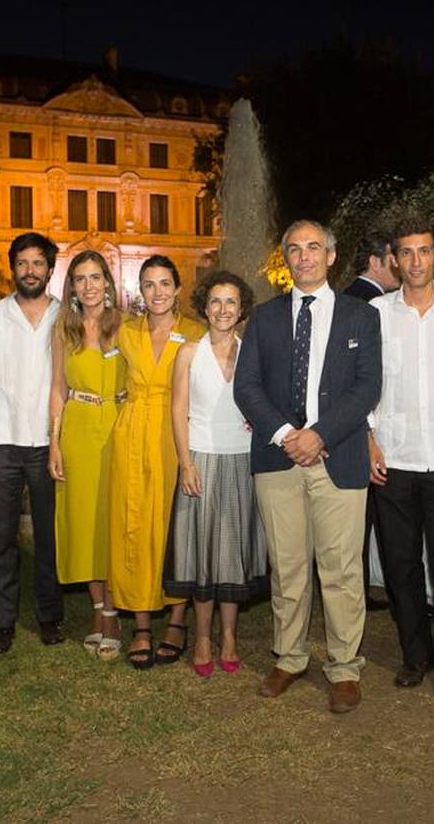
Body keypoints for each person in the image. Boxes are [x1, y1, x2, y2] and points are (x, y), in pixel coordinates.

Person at [234, 219, 382, 714]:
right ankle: (290, 657)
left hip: (339, 457)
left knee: (341, 569)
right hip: (277, 460)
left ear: (331, 256)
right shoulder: (265, 317)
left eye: (313, 247)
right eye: (295, 249)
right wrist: (286, 435)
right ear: (286, 258)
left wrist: (320, 435)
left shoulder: (362, 316)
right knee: (288, 566)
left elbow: (367, 387)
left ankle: (344, 667)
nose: (304, 257)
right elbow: (246, 386)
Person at [368, 217, 434, 696]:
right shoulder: (376, 313)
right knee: (400, 564)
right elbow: (365, 382)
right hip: (393, 458)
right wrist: (369, 439)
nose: (415, 261)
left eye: (424, 251)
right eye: (406, 252)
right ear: (394, 259)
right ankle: (415, 655)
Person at [164, 271, 268, 677]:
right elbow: (178, 410)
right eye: (216, 301)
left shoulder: (252, 353)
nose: (223, 309)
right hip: (201, 459)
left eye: (231, 302)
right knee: (202, 553)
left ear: (241, 310)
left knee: (231, 554)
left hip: (242, 460)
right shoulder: (188, 353)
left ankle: (229, 637)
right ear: (204, 307)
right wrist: (186, 463)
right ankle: (203, 638)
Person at [109, 255, 205, 669]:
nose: (157, 292)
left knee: (174, 525)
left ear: (178, 288)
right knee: (132, 524)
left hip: (176, 434)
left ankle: (177, 620)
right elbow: (113, 383)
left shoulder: (196, 332)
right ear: (140, 291)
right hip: (132, 434)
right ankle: (142, 623)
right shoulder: (126, 331)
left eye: (165, 283)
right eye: (148, 284)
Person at [0, 233, 63, 654]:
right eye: (23, 263)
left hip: (49, 440)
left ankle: (49, 616)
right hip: (0, 437)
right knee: (1, 536)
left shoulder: (65, 315)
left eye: (38, 263)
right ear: (12, 267)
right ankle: (4, 620)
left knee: (50, 535)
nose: (30, 271)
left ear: (50, 269)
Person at [48, 251, 126, 659]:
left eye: (96, 277)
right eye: (80, 279)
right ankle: (98, 609)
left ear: (108, 283)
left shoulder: (127, 325)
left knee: (113, 520)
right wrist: (54, 442)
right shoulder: (64, 329)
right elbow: (57, 389)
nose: (89, 286)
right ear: (72, 287)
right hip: (78, 429)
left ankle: (112, 612)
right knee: (82, 522)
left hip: (118, 426)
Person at [342, 228, 398, 611]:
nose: (401, 267)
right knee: (364, 517)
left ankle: (362, 588)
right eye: (394, 259)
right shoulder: (369, 304)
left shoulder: (349, 296)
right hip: (364, 425)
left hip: (359, 424)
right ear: (376, 261)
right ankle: (361, 590)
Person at [343, 228, 399, 301]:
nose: (399, 266)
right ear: (375, 262)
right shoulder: (376, 302)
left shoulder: (346, 294)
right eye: (394, 260)